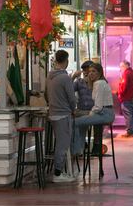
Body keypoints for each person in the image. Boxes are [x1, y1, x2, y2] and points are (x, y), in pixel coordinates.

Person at [45, 50, 77, 183]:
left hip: (52, 114)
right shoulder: (65, 78)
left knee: (59, 143)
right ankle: (57, 173)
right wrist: (73, 109)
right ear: (66, 60)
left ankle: (60, 171)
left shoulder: (49, 76)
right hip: (63, 114)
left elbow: (45, 95)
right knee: (62, 145)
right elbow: (72, 98)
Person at [72, 63, 115, 156]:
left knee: (75, 122)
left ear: (99, 73)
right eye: (89, 71)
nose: (90, 73)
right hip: (105, 112)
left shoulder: (99, 83)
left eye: (93, 71)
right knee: (81, 123)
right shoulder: (99, 83)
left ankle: (76, 151)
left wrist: (90, 114)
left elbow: (98, 107)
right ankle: (80, 148)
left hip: (104, 114)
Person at [118, 60, 133, 137]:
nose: (121, 68)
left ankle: (130, 132)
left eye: (121, 66)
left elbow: (123, 87)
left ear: (126, 65)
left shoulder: (126, 74)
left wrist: (120, 93)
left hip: (126, 98)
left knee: (128, 115)